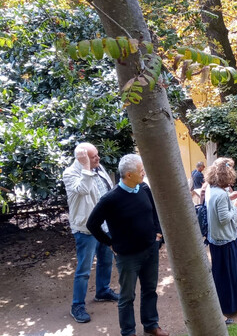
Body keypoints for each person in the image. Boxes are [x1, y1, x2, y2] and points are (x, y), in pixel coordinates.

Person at [86, 154, 169, 336]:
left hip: (150, 250)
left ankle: (151, 325)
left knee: (150, 290)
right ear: (129, 175)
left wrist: (158, 234)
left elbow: (154, 212)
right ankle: (128, 332)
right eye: (141, 171)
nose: (144, 173)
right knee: (127, 296)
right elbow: (92, 224)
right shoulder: (110, 199)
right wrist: (110, 243)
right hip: (128, 256)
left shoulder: (144, 188)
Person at [62, 142, 119, 324]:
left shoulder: (98, 168)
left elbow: (109, 190)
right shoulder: (70, 173)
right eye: (94, 157)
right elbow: (84, 189)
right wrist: (86, 166)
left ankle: (102, 291)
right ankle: (77, 305)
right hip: (86, 229)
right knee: (84, 270)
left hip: (104, 226)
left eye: (97, 155)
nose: (98, 158)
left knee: (106, 261)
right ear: (83, 159)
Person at [204, 158, 237, 317]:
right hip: (226, 239)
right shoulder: (221, 194)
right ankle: (232, 305)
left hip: (215, 238)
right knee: (230, 275)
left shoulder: (211, 189)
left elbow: (218, 207)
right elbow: (224, 219)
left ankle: (221, 303)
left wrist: (230, 197)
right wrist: (236, 203)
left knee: (220, 273)